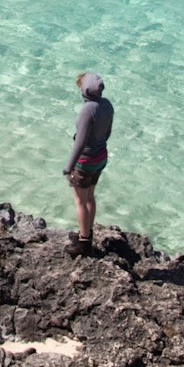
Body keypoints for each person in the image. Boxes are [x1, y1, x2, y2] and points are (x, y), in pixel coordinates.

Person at [63, 71, 113, 256]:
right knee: (90, 197)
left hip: (86, 161)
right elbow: (107, 133)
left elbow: (80, 142)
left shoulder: (87, 110)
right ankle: (87, 234)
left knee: (80, 201)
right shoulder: (107, 105)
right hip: (101, 157)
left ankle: (83, 245)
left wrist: (69, 166)